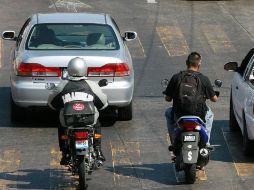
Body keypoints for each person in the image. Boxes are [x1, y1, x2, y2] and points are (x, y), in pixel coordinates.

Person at [48, 57, 108, 165]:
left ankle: (65, 152)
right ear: (84, 69)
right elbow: (103, 103)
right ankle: (98, 150)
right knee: (97, 123)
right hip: (89, 120)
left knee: (61, 126)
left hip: (68, 120)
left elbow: (52, 103)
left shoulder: (63, 84)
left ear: (69, 69)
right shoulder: (91, 85)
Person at [164, 52, 218, 151]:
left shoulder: (176, 77)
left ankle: (174, 142)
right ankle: (207, 142)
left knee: (168, 113)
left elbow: (167, 98)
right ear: (199, 65)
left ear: (186, 63)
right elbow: (214, 99)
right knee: (210, 115)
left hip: (179, 113)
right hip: (199, 114)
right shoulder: (203, 79)